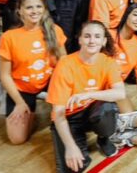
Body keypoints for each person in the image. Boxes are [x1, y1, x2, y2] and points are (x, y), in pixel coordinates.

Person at [48, 21, 125, 172]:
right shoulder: (65, 65)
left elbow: (120, 93)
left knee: (109, 108)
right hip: (68, 118)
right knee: (73, 168)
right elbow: (58, 113)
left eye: (97, 36)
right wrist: (70, 147)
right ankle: (77, 138)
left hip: (92, 112)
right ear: (80, 39)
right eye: (87, 36)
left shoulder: (108, 63)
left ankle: (103, 138)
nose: (92, 41)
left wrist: (87, 95)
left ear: (103, 41)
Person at [0, 0, 66, 144]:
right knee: (17, 139)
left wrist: (61, 97)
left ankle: (47, 102)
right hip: (23, 86)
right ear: (19, 11)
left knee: (68, 116)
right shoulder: (8, 37)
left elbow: (64, 62)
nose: (35, 11)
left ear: (44, 9)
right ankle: (29, 107)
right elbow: (5, 75)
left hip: (50, 82)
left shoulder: (55, 30)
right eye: (29, 7)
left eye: (38, 6)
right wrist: (20, 103)